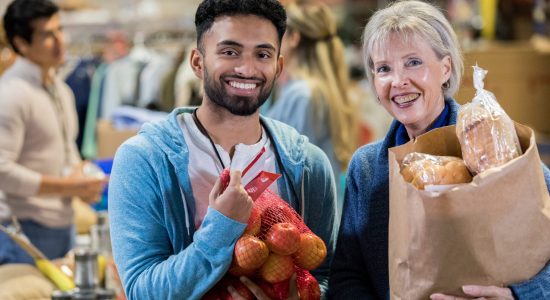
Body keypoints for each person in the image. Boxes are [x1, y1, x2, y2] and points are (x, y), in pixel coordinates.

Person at [108, 0, 338, 299]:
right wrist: (222, 226)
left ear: (278, 66)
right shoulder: (144, 160)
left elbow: (329, 276)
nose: (247, 68)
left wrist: (305, 294)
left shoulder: (307, 165)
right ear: (197, 62)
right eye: (230, 52)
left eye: (263, 54)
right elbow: (141, 290)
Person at [328, 1, 550, 299]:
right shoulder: (366, 168)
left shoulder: (497, 145)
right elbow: (348, 275)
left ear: (445, 68)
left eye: (413, 62)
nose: (398, 81)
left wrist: (518, 294)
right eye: (383, 68)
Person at [0, 0, 105, 264]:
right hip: (22, 230)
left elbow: (65, 151)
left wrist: (80, 176)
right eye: (47, 34)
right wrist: (68, 186)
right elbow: (2, 171)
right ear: (21, 43)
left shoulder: (60, 89)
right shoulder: (11, 94)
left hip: (61, 226)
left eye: (59, 29)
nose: (60, 40)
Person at [265, 0, 358, 208]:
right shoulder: (317, 90)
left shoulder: (303, 95)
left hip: (299, 216)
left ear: (294, 38)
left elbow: (294, 170)